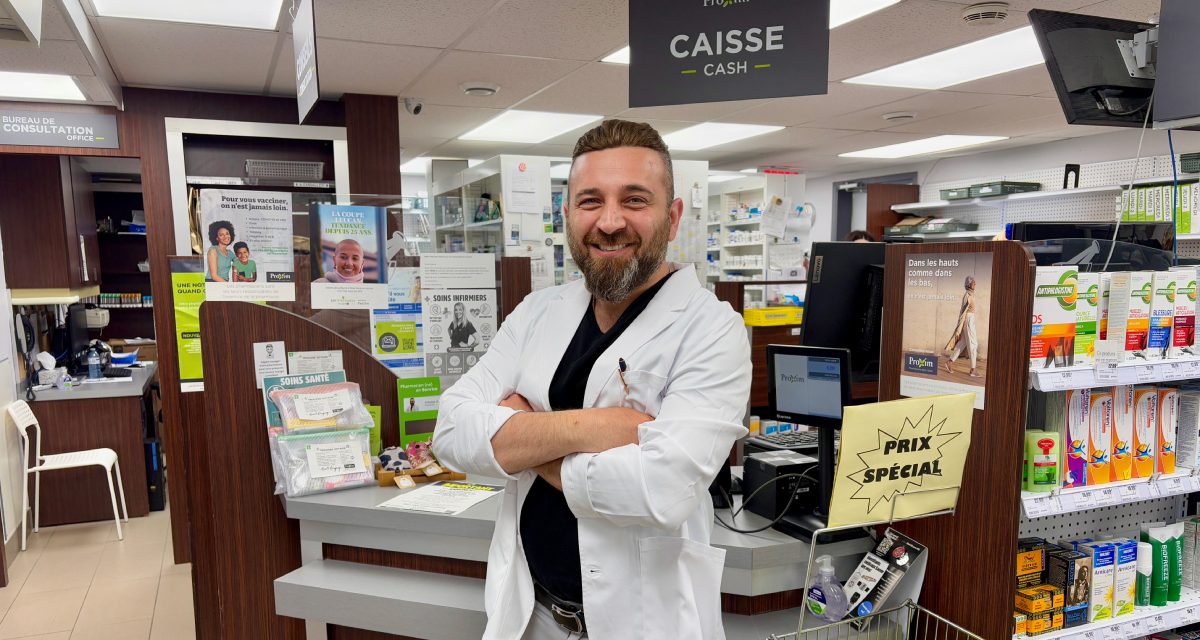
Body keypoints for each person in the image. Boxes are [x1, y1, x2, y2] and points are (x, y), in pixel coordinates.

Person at [433, 119, 751, 640]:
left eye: (634, 200)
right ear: (567, 215)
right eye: (590, 201)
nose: (609, 221)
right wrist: (603, 427)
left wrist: (522, 437)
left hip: (644, 626)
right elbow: (450, 431)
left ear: (672, 217)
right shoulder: (536, 312)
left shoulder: (712, 329)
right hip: (532, 612)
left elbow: (660, 490)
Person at [944, 275, 980, 377]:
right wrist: (960, 326)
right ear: (969, 284)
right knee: (973, 344)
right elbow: (963, 312)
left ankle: (949, 362)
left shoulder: (970, 294)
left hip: (970, 320)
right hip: (968, 321)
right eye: (973, 282)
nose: (975, 284)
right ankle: (973, 369)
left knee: (962, 343)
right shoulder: (967, 296)